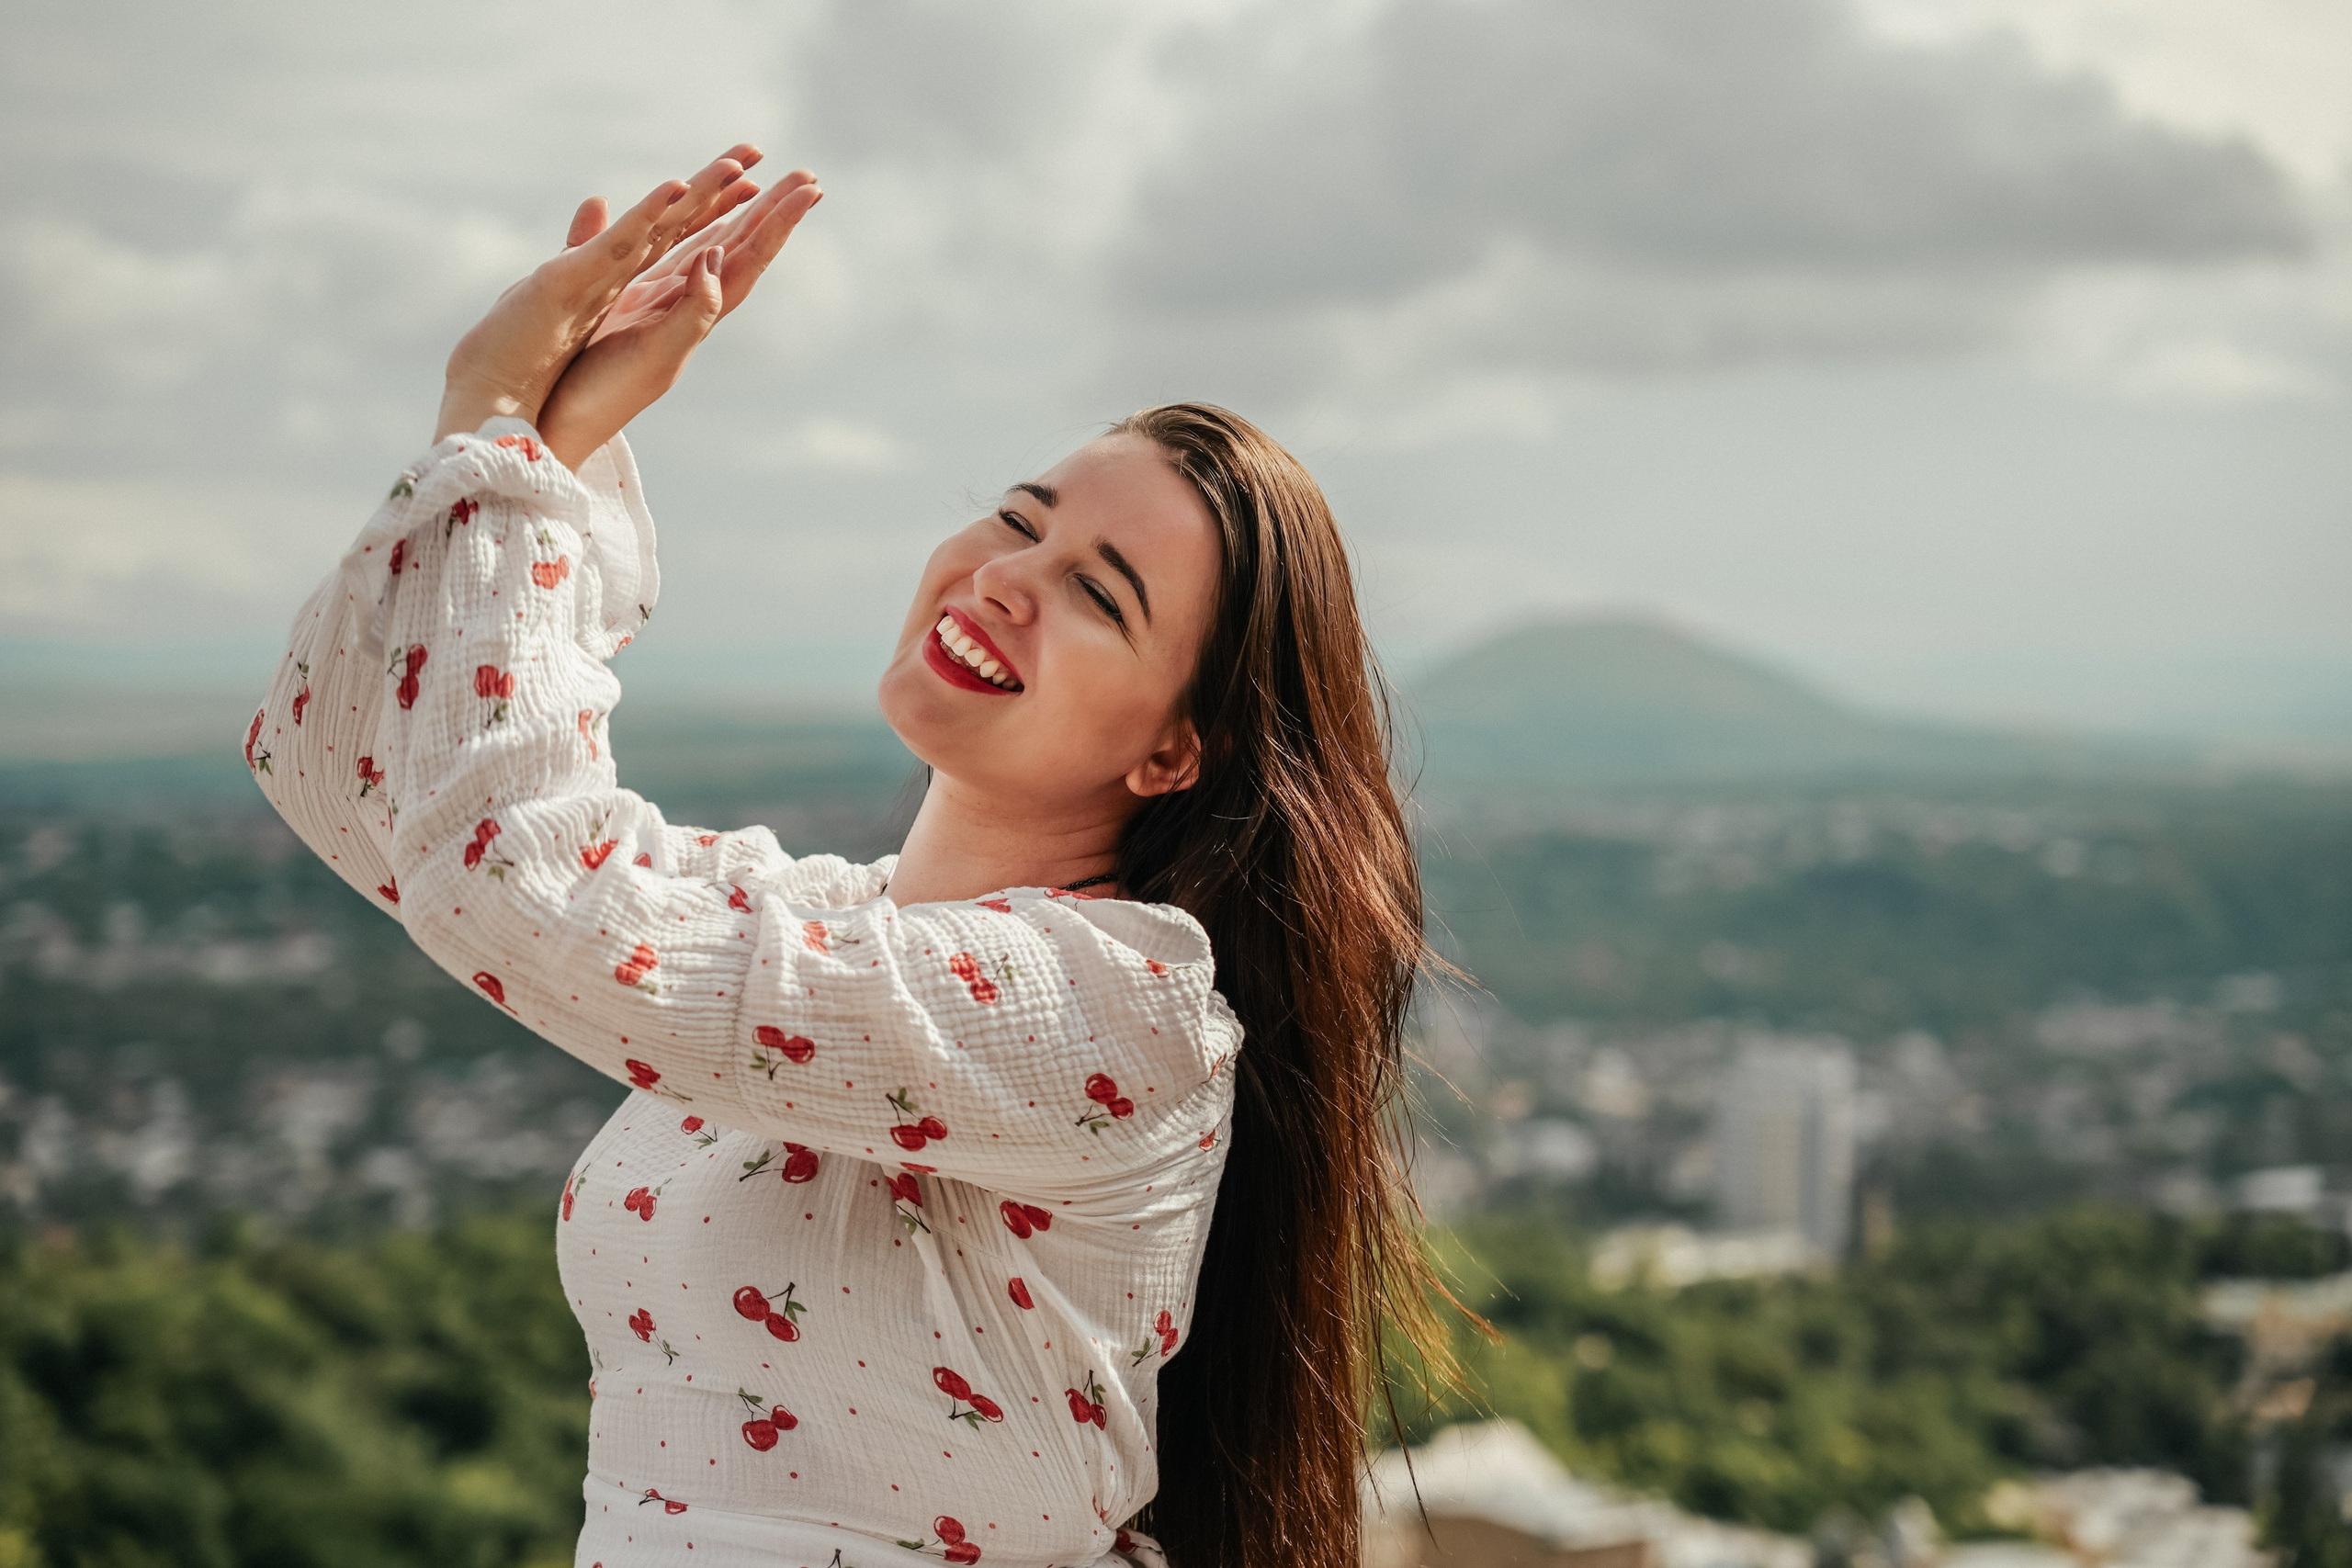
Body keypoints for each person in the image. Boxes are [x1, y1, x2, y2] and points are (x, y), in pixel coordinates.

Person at [249, 143, 1453, 1568]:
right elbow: (341, 768)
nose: (1007, 576)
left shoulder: (1119, 1009)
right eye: (1020, 517)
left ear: (1173, 752)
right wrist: (537, 458)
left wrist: (501, 432)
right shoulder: (818, 921)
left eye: (1095, 592)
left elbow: (521, 888)